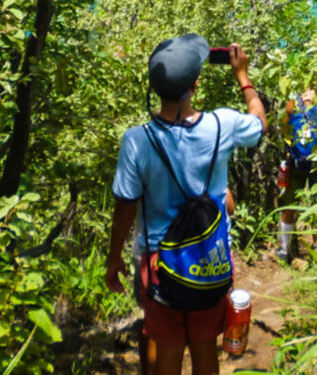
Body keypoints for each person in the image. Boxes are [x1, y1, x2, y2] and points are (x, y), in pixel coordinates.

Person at [105, 35, 265, 375]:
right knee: (205, 347)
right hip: (210, 262)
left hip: (159, 266)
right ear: (195, 84)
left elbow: (125, 207)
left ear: (155, 87)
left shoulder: (137, 140)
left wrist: (113, 259)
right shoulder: (222, 124)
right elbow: (259, 124)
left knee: (168, 350)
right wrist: (243, 77)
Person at [277, 87, 317, 262]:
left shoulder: (293, 102)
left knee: (290, 204)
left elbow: (285, 131)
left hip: (297, 162)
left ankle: (285, 250)